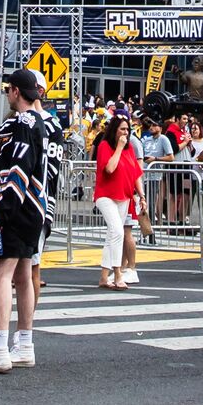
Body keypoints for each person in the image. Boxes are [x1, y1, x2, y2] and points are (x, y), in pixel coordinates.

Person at [0, 66, 58, 373]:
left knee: (2, 274)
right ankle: (24, 345)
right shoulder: (41, 123)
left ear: (16, 92)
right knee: (23, 276)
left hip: (20, 208)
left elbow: (19, 169)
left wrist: (2, 210)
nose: (8, 94)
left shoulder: (23, 122)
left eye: (9, 89)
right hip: (35, 209)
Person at [88, 113, 144, 293]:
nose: (126, 133)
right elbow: (110, 168)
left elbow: (136, 174)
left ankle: (104, 276)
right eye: (122, 129)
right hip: (106, 195)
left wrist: (142, 196)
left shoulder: (130, 148)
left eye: (128, 129)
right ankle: (118, 273)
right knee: (118, 231)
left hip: (124, 196)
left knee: (112, 235)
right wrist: (119, 148)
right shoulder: (105, 146)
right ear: (115, 130)